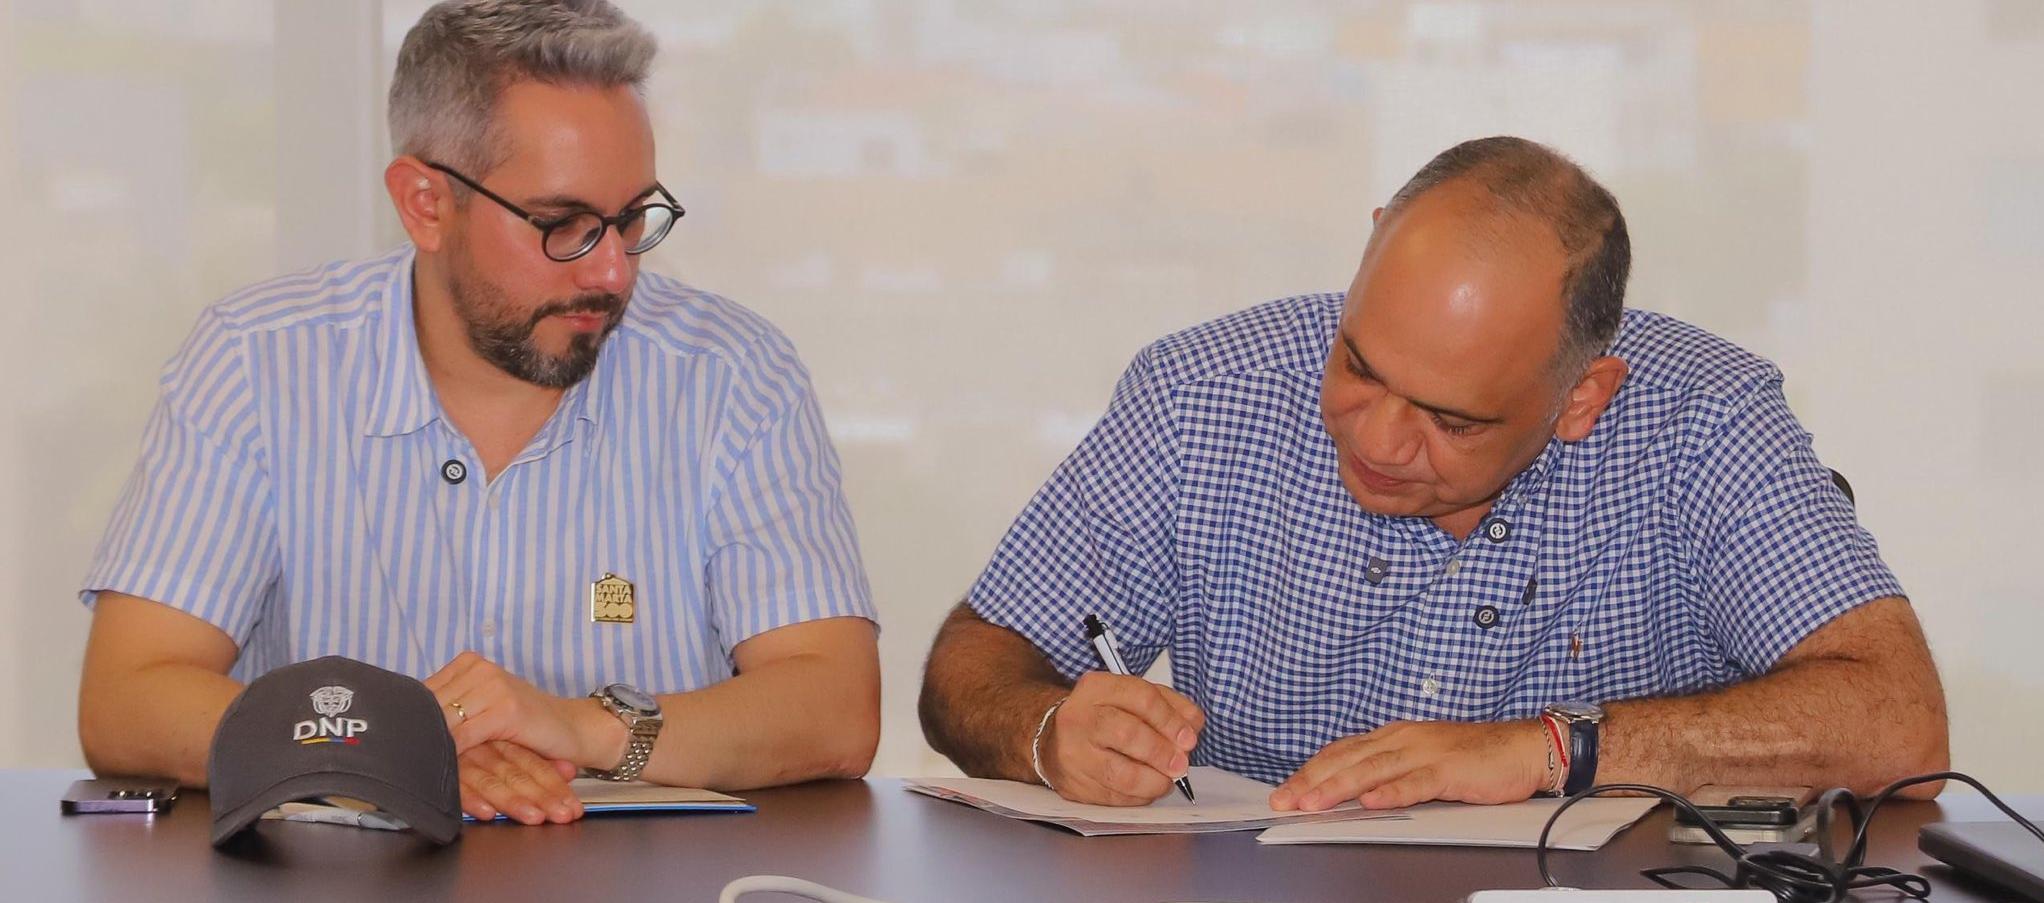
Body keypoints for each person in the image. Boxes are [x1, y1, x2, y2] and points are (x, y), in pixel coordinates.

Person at [919, 136, 1948, 811]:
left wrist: (1551, 750)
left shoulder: (1703, 422)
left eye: (1452, 420)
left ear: (1582, 397)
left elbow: (1896, 722)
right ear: (1370, 253)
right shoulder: (1202, 397)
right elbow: (973, 662)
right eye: (1358, 365)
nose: (1377, 438)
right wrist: (1047, 730)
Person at [78, 0, 880, 826]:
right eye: (563, 223)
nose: (611, 270)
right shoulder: (258, 360)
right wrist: (387, 751)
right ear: (425, 203)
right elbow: (127, 698)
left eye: (634, 217)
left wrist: (576, 725)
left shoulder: (732, 375)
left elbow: (835, 708)